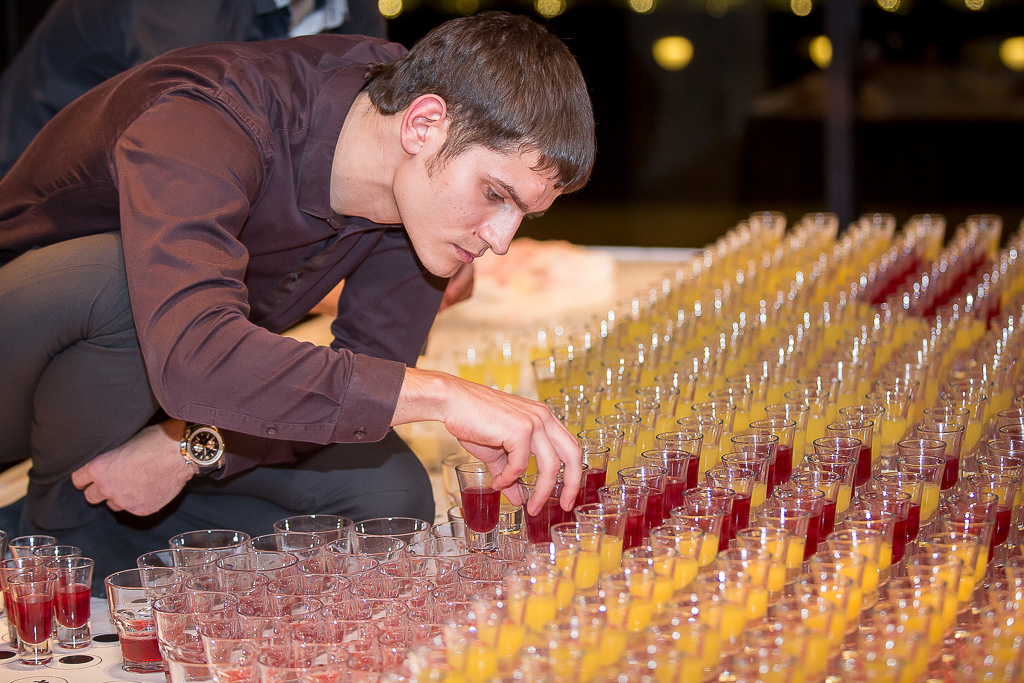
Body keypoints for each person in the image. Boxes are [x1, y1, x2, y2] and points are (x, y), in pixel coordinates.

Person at [0, 12, 594, 584]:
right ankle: (54, 534)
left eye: (523, 214)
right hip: (34, 364)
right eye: (494, 193)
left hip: (167, 382)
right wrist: (442, 393)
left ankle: (76, 532)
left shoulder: (416, 185)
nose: (499, 241)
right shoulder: (208, 115)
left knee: (391, 498)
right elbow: (196, 356)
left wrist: (189, 447)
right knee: (119, 281)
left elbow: (363, 377)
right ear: (423, 124)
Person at [0, 0, 387, 177]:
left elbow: (353, 139)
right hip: (34, 203)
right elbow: (183, 158)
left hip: (140, 184)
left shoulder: (356, 10)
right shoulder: (184, 14)